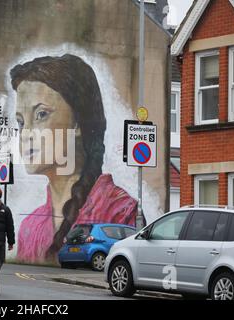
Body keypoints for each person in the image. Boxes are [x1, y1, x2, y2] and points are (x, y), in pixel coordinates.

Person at [10, 54, 138, 264]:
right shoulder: (29, 227)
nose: (25, 134)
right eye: (21, 122)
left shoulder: (121, 211)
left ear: (77, 123)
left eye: (41, 114)